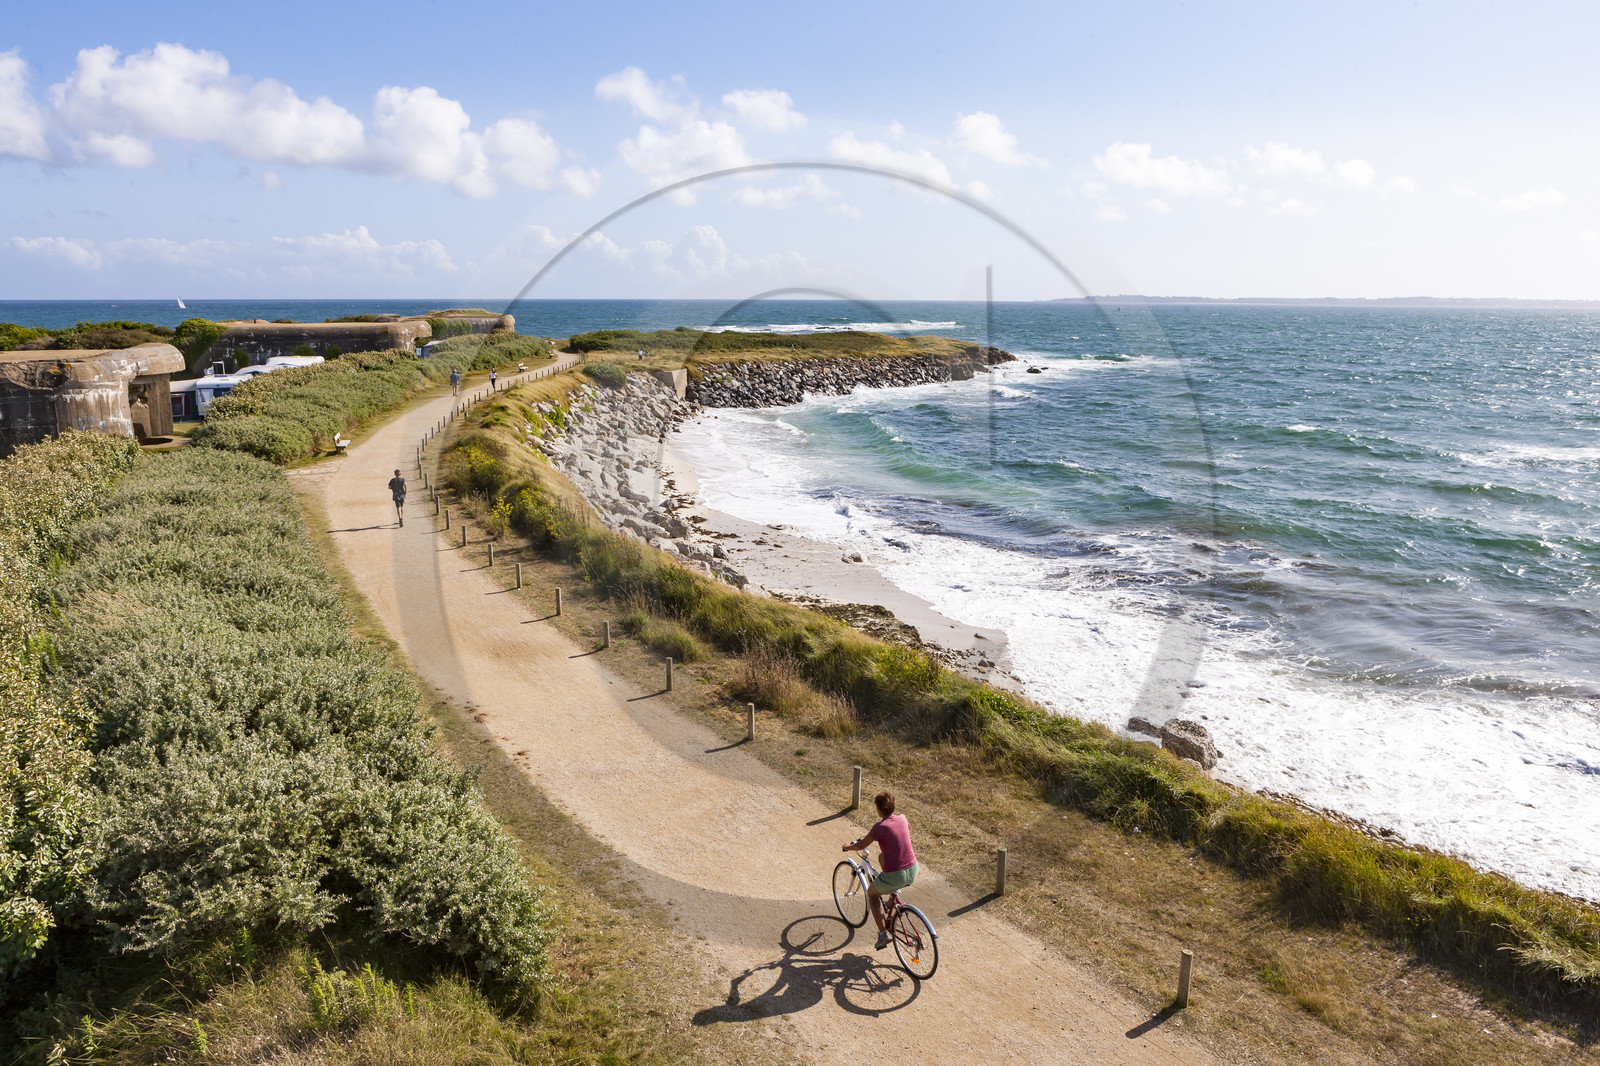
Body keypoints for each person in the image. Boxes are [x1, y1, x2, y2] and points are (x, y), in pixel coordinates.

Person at [843, 791, 919, 949]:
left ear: (878, 809)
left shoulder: (880, 827)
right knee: (881, 858)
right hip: (913, 869)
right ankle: (894, 894)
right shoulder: (903, 818)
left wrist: (848, 847)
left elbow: (861, 845)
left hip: (896, 874)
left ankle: (883, 934)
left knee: (872, 894)